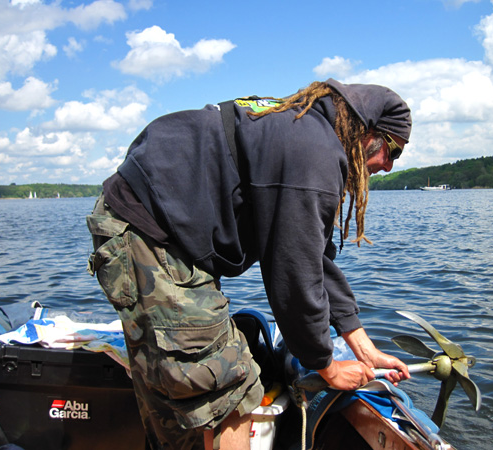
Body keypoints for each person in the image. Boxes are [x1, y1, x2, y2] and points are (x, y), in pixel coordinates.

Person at [86, 79, 412, 450]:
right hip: (151, 233)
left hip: (145, 224)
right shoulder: (315, 151)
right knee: (234, 387)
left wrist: (362, 346)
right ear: (365, 130)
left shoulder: (304, 130)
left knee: (176, 385)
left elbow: (314, 258)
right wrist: (328, 367)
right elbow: (295, 278)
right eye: (392, 151)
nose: (387, 166)